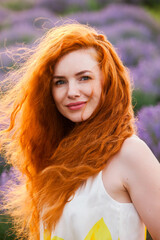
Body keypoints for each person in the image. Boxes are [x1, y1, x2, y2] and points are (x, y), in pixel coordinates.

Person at [0, 22, 160, 240]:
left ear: (107, 81)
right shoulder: (55, 158)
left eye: (84, 78)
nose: (71, 92)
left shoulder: (130, 153)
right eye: (60, 82)